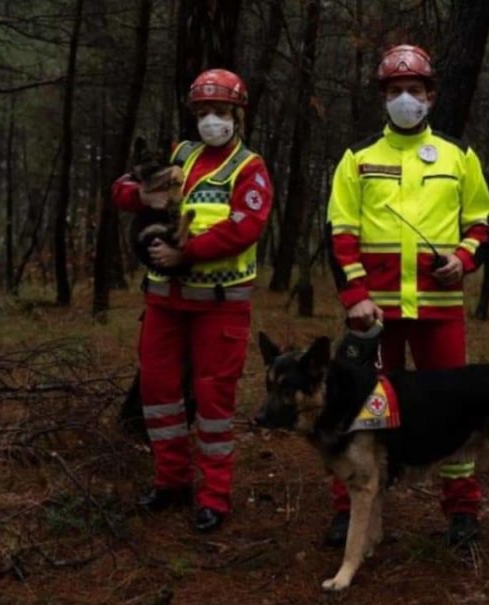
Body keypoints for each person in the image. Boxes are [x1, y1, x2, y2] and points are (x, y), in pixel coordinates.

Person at [326, 44, 489, 546]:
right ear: (383, 96)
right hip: (373, 313)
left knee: (455, 410)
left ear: (431, 96)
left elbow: (484, 222)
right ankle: (350, 509)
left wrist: (462, 260)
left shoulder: (458, 155)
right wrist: (354, 295)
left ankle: (462, 509)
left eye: (414, 90)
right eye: (396, 90)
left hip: (439, 310)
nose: (405, 99)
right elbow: (339, 232)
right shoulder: (358, 158)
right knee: (363, 409)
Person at [112, 68, 273, 531]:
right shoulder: (178, 154)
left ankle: (215, 496)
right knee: (159, 395)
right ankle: (171, 482)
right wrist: (141, 194)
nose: (211, 120)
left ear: (238, 116)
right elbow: (122, 191)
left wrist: (186, 253)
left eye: (220, 112)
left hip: (220, 305)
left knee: (213, 400)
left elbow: (244, 227)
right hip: (164, 302)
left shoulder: (250, 167)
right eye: (203, 112)